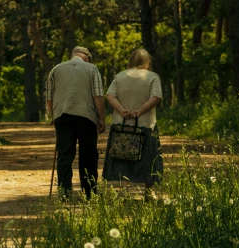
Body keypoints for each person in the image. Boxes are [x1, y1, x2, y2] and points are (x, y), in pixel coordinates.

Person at [46, 46, 106, 200]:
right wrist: (102, 118)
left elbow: (50, 96)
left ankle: (64, 193)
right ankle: (89, 192)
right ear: (86, 57)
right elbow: (98, 95)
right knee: (88, 154)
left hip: (62, 115)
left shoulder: (56, 69)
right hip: (86, 115)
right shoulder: (92, 69)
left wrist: (52, 115)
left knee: (64, 153)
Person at [103, 48, 163, 193]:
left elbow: (110, 95)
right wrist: (140, 111)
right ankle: (149, 192)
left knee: (122, 157)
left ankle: (124, 190)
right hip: (145, 124)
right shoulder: (153, 77)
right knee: (148, 159)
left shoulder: (120, 76)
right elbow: (156, 98)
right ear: (147, 62)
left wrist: (121, 110)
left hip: (121, 124)